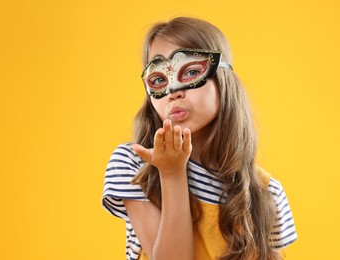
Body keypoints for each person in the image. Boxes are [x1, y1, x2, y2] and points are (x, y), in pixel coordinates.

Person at [102, 17, 297, 260]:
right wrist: (172, 174)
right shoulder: (134, 166)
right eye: (159, 79)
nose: (173, 92)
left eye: (192, 71)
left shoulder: (266, 192)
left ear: (223, 79)